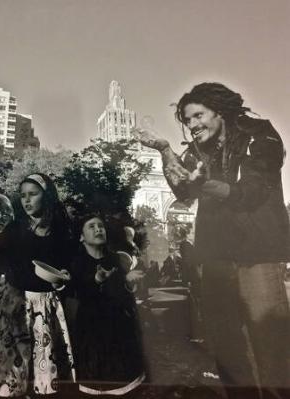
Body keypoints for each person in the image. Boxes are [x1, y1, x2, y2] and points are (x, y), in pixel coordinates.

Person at [133, 82, 290, 398]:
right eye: (187, 120)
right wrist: (165, 150)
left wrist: (208, 184)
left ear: (220, 112)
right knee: (226, 348)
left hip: (257, 254)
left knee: (270, 345)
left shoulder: (259, 135)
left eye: (198, 115)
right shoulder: (195, 150)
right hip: (215, 256)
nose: (192, 125)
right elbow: (182, 190)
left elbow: (251, 191)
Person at [0, 173, 76, 397]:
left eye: (33, 194)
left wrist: (64, 279)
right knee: (10, 375)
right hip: (13, 305)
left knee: (42, 376)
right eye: (23, 195)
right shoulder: (13, 229)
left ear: (47, 196)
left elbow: (68, 269)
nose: (26, 200)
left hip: (46, 307)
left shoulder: (63, 231)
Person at [69, 213, 146, 395]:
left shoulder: (115, 260)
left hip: (118, 331)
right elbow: (79, 292)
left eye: (100, 226)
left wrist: (127, 283)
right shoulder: (78, 262)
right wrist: (97, 279)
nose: (98, 229)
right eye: (91, 226)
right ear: (81, 237)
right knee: (94, 384)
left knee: (122, 384)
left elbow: (124, 298)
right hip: (91, 333)